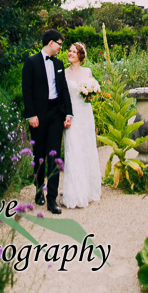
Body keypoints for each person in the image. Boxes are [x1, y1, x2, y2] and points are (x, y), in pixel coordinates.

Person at [22, 29, 73, 214]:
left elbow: (64, 90)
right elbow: (26, 90)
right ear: (51, 43)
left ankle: (52, 198)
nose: (61, 47)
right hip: (38, 116)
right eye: (60, 44)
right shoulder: (31, 62)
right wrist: (31, 115)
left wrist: (68, 113)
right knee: (40, 156)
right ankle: (38, 190)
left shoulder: (59, 64)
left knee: (54, 156)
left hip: (55, 114)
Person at [61, 41, 101, 208]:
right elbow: (62, 97)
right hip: (71, 116)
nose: (70, 54)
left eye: (73, 52)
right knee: (73, 150)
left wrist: (91, 92)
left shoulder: (87, 72)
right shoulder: (63, 73)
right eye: (69, 51)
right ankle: (74, 193)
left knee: (86, 148)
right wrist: (65, 115)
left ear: (80, 56)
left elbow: (93, 91)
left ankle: (88, 189)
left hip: (85, 115)